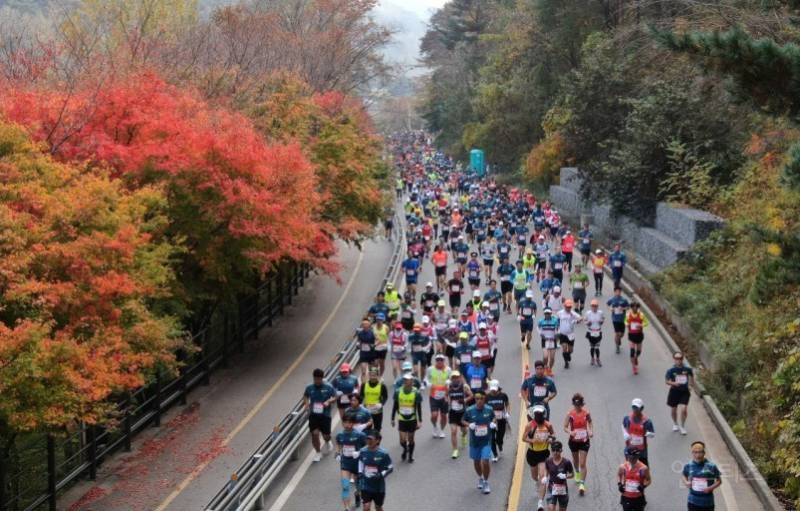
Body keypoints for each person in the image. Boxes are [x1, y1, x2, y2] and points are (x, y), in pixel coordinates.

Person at [462, 392, 496, 494]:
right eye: (477, 398)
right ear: (475, 399)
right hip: (475, 441)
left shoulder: (489, 409)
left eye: (481, 398)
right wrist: (469, 425)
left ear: (484, 399)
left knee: (485, 461)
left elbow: (494, 417)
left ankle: (486, 482)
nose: (479, 400)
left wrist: (493, 423)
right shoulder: (469, 410)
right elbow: (462, 420)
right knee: (476, 462)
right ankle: (480, 477)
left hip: (486, 441)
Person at [523, 404, 555, 511]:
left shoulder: (548, 425)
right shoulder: (529, 425)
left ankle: (540, 503)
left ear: (543, 414)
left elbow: (554, 435)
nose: (538, 416)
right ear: (534, 415)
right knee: (534, 476)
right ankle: (537, 483)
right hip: (532, 453)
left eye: (540, 414)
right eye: (536, 414)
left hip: (543, 454)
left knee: (543, 477)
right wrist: (533, 441)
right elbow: (524, 438)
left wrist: (550, 439)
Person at [303, 368, 337, 462]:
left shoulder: (328, 387)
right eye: (315, 379)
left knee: (326, 435)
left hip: (325, 414)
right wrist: (306, 404)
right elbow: (306, 396)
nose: (317, 381)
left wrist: (328, 401)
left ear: (322, 378)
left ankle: (327, 441)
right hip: (313, 414)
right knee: (315, 434)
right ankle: (318, 452)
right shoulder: (309, 387)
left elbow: (335, 397)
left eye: (319, 379)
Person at [563, 393, 593, 495]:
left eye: (579, 404)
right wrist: (570, 432)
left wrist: (590, 431)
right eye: (576, 405)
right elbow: (565, 426)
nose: (577, 406)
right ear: (573, 404)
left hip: (584, 441)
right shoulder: (570, 414)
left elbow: (590, 422)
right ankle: (576, 471)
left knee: (582, 463)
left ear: (582, 404)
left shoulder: (586, 413)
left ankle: (582, 484)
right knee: (576, 461)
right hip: (573, 441)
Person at [336, 413, 367, 511]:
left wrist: (359, 452)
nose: (347, 425)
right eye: (345, 422)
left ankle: (357, 494)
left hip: (357, 464)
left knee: (359, 487)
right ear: (342, 423)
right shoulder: (340, 435)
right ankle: (347, 508)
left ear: (353, 424)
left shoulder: (360, 435)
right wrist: (337, 453)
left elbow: (367, 447)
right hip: (345, 463)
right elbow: (338, 444)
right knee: (345, 486)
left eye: (349, 423)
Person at [358, 429, 393, 511]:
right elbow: (360, 461)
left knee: (378, 507)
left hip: (379, 487)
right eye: (367, 439)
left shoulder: (383, 453)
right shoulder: (363, 451)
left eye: (371, 439)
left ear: (377, 440)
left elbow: (390, 467)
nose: (368, 441)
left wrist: (381, 474)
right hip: (365, 485)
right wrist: (360, 472)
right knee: (366, 507)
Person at [391, 374, 423, 462]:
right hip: (401, 419)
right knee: (402, 440)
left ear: (412, 381)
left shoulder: (416, 392)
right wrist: (392, 418)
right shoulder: (398, 391)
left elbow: (418, 407)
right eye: (404, 380)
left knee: (411, 439)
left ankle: (410, 456)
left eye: (408, 380)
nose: (406, 381)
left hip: (412, 419)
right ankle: (405, 449)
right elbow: (395, 406)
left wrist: (420, 420)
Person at [682, 441, 722, 511]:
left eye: (700, 452)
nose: (698, 455)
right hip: (692, 501)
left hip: (707, 502)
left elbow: (719, 481)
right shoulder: (688, 465)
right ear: (692, 453)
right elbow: (683, 475)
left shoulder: (711, 466)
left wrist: (710, 488)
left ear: (704, 453)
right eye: (695, 452)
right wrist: (686, 482)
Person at [666, 351, 695, 435]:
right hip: (674, 391)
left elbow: (691, 376)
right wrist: (674, 383)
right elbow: (667, 381)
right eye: (676, 358)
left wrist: (691, 385)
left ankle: (682, 426)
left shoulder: (687, 369)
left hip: (684, 391)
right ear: (674, 359)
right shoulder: (671, 370)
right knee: (674, 409)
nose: (678, 360)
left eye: (680, 358)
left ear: (682, 359)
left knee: (684, 409)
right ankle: (675, 424)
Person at [447, 370, 473, 458]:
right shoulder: (449, 386)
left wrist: (464, 400)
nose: (455, 379)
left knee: (464, 430)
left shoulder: (464, 386)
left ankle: (463, 436)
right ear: (451, 378)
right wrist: (448, 402)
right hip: (453, 412)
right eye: (453, 377)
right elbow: (446, 396)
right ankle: (455, 450)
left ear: (459, 378)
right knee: (453, 431)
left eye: (456, 377)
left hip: (462, 412)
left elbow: (471, 395)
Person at [425, 354, 452, 438]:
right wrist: (428, 384)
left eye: (441, 360)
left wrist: (449, 381)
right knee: (434, 415)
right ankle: (434, 427)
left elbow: (452, 378)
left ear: (444, 361)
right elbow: (426, 378)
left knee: (444, 416)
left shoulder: (448, 369)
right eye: (438, 360)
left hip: (445, 396)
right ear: (435, 361)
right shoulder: (430, 369)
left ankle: (441, 430)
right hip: (433, 396)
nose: (439, 361)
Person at [623, 398, 655, 467]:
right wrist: (625, 433)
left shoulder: (647, 421)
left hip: (641, 450)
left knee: (644, 469)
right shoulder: (627, 418)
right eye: (633, 407)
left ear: (641, 408)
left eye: (637, 408)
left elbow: (652, 434)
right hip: (630, 448)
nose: (635, 410)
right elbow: (623, 425)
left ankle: (647, 478)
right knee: (628, 468)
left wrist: (646, 433)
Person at [544, 440, 575, 511]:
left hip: (563, 490)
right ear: (551, 450)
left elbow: (572, 474)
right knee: (551, 508)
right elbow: (546, 469)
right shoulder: (548, 461)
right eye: (553, 450)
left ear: (561, 450)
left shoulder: (566, 462)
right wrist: (545, 476)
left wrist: (565, 476)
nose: (555, 452)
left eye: (557, 450)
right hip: (551, 488)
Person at [486, 379, 510, 462]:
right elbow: (485, 408)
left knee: (499, 437)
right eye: (492, 389)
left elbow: (507, 404)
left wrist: (507, 412)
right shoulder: (487, 397)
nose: (493, 391)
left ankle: (500, 444)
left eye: (494, 389)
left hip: (501, 420)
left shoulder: (503, 395)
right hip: (491, 421)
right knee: (492, 438)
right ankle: (495, 454)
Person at [625, 302, 650, 375]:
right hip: (631, 335)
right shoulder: (628, 314)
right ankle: (634, 367)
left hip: (639, 335)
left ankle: (636, 357)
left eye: (636, 307)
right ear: (631, 307)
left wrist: (641, 325)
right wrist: (627, 324)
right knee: (632, 352)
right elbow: (625, 321)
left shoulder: (641, 315)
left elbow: (646, 322)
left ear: (638, 308)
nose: (635, 308)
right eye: (633, 307)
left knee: (639, 352)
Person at [556, 299, 582, 370]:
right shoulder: (560, 313)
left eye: (570, 307)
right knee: (564, 348)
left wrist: (577, 321)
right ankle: (566, 362)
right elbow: (556, 320)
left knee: (571, 350)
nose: (568, 308)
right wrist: (557, 329)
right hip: (563, 334)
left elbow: (580, 317)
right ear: (564, 306)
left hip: (570, 334)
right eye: (567, 307)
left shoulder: (573, 313)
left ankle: (568, 355)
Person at [607, 287, 630, 354]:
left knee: (622, 334)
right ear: (614, 292)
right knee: (617, 333)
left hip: (622, 319)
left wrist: (623, 308)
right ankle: (617, 346)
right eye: (616, 291)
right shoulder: (612, 299)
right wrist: (610, 308)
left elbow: (628, 307)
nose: (618, 293)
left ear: (620, 292)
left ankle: (619, 339)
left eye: (619, 291)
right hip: (615, 319)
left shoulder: (624, 300)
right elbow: (608, 304)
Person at [584, 299, 605, 367]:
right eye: (593, 306)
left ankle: (598, 359)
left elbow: (603, 319)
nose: (594, 307)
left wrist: (601, 322)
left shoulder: (600, 312)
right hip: (590, 332)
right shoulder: (588, 313)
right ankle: (592, 358)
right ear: (591, 306)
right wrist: (588, 323)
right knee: (592, 347)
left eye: (595, 306)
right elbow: (585, 321)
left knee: (597, 347)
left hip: (598, 332)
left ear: (597, 306)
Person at [538, 308, 559, 375]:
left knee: (552, 358)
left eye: (548, 314)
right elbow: (538, 328)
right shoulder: (541, 321)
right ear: (544, 314)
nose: (547, 315)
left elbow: (558, 329)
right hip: (545, 340)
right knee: (545, 357)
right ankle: (544, 368)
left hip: (553, 340)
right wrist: (541, 334)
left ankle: (549, 369)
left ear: (550, 314)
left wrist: (557, 335)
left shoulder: (555, 321)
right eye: (546, 314)